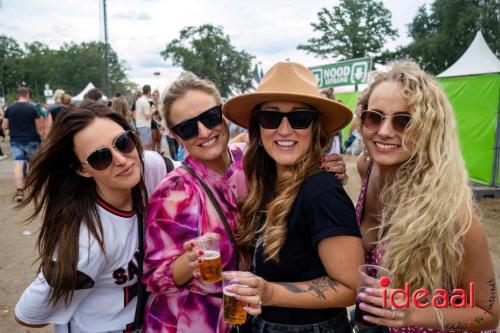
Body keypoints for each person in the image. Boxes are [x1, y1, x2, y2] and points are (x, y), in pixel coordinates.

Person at [354, 61, 499, 332]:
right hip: (374, 320)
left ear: (428, 128)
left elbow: (488, 314)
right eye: (375, 117)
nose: (385, 131)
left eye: (404, 121)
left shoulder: (454, 216)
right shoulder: (368, 167)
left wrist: (411, 314)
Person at [223, 61, 364, 332]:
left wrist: (270, 292)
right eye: (270, 117)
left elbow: (351, 286)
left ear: (315, 127)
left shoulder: (322, 191)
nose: (284, 130)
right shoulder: (265, 182)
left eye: (299, 118)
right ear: (258, 127)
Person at [14, 104, 167, 332]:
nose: (122, 160)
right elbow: (28, 315)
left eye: (124, 142)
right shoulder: (86, 245)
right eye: (100, 157)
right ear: (83, 170)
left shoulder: (150, 167)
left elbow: (196, 174)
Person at [143, 73, 263, 332]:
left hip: (243, 316)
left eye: (210, 118)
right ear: (175, 136)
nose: (204, 132)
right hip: (191, 321)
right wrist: (191, 260)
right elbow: (155, 277)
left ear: (224, 114)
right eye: (187, 128)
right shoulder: (174, 192)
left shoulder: (253, 163)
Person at [2, 87, 43, 202]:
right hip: (32, 140)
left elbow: (4, 126)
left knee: (18, 165)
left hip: (16, 140)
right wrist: (43, 138)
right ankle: (35, 188)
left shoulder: (10, 108)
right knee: (34, 163)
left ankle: (19, 191)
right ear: (28, 95)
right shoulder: (33, 107)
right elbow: (39, 126)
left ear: (18, 95)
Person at [135, 85, 152, 150]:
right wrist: (152, 111)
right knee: (145, 146)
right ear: (149, 91)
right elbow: (147, 116)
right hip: (145, 125)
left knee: (143, 145)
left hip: (139, 125)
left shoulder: (138, 100)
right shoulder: (145, 102)